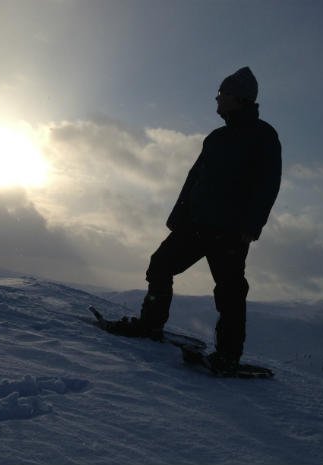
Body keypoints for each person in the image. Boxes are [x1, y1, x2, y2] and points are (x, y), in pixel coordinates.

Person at [110, 67, 282, 374]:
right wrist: (178, 217)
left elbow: (268, 185)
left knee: (229, 293)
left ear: (238, 98)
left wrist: (250, 228)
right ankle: (150, 325)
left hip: (230, 231)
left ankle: (228, 356)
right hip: (196, 224)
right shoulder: (216, 138)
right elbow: (194, 179)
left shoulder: (263, 136)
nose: (216, 100)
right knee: (160, 265)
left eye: (221, 94)